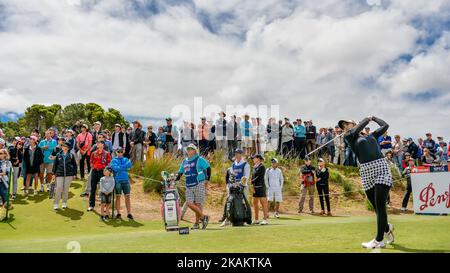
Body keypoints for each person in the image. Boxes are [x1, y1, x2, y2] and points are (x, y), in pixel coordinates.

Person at [339, 116, 394, 249]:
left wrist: (373, 118)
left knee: (381, 206)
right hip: (366, 171)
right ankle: (387, 228)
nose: (345, 126)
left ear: (354, 123)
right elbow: (356, 129)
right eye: (344, 125)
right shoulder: (349, 136)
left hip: (381, 167)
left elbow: (385, 125)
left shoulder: (372, 136)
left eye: (347, 123)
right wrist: (366, 119)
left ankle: (379, 240)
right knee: (376, 208)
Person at [176, 144, 211, 230]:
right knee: (189, 203)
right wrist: (175, 179)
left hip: (199, 183)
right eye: (188, 149)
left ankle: (196, 224)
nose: (188, 151)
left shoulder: (199, 159)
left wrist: (207, 180)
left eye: (191, 149)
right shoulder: (184, 161)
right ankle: (203, 217)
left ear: (195, 151)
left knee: (198, 204)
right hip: (189, 185)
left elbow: (208, 168)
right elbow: (180, 173)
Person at [219, 148, 251, 226]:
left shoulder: (246, 164)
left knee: (244, 202)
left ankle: (245, 219)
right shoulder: (233, 164)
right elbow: (232, 176)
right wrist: (231, 185)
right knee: (229, 201)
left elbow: (246, 176)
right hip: (233, 187)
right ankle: (227, 219)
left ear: (241, 154)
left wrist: (240, 184)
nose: (236, 155)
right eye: (236, 153)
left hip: (243, 186)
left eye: (238, 153)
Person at [52, 142, 77, 210]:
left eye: (64, 146)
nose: (63, 147)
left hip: (69, 175)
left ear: (68, 148)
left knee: (66, 189)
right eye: (62, 146)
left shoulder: (71, 155)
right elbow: (55, 165)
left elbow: (74, 165)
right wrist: (53, 174)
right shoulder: (58, 155)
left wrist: (74, 174)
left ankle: (64, 202)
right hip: (59, 174)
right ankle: (56, 203)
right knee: (59, 188)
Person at [88, 140, 111, 211]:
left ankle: (104, 205)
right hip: (95, 171)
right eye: (97, 143)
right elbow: (91, 162)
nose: (98, 144)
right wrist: (94, 167)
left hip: (103, 172)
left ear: (103, 145)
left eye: (99, 143)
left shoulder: (107, 153)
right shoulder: (94, 153)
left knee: (104, 189)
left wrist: (105, 171)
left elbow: (109, 163)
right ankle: (91, 205)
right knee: (93, 189)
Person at [110, 148, 133, 220]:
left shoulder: (126, 159)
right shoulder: (113, 160)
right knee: (118, 197)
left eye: (121, 151)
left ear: (123, 152)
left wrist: (121, 167)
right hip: (118, 180)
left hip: (126, 180)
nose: (119, 153)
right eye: (118, 151)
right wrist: (124, 167)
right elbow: (115, 168)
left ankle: (129, 213)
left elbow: (129, 165)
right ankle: (118, 213)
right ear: (116, 152)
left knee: (127, 197)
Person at [250, 154, 269, 225]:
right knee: (255, 203)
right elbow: (253, 176)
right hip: (255, 187)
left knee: (263, 203)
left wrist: (252, 181)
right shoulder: (254, 167)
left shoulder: (262, 167)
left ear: (258, 158)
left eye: (254, 158)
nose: (253, 159)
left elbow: (259, 177)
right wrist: (252, 184)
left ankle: (265, 219)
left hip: (261, 187)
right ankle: (256, 219)